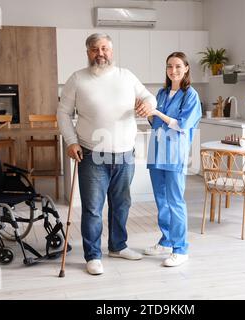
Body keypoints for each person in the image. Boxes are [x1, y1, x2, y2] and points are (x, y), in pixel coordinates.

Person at [57, 33, 157, 275]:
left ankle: (117, 246)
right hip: (92, 155)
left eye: (104, 48)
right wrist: (70, 141)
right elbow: (62, 112)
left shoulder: (127, 76)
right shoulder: (77, 79)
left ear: (111, 51)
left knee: (122, 204)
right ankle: (93, 255)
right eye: (94, 49)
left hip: (125, 154)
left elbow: (148, 96)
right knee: (92, 208)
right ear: (88, 53)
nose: (100, 53)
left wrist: (148, 105)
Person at [138, 52, 202, 267]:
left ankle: (181, 248)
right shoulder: (162, 92)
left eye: (177, 66)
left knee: (175, 201)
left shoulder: (190, 95)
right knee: (161, 200)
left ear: (186, 69)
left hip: (175, 154)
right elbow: (155, 122)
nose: (173, 70)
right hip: (157, 152)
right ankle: (166, 240)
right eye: (169, 66)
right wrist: (147, 112)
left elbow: (181, 124)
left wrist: (156, 111)